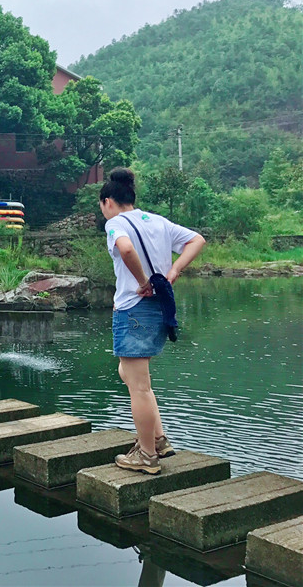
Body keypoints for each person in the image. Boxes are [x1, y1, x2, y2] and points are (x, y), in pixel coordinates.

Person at [99, 167, 205, 474]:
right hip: (160, 307)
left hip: (134, 307)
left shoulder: (116, 223)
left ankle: (146, 455)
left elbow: (126, 248)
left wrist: (143, 280)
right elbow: (197, 240)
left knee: (139, 386)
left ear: (108, 201)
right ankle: (158, 439)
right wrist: (172, 273)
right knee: (130, 374)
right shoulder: (157, 221)